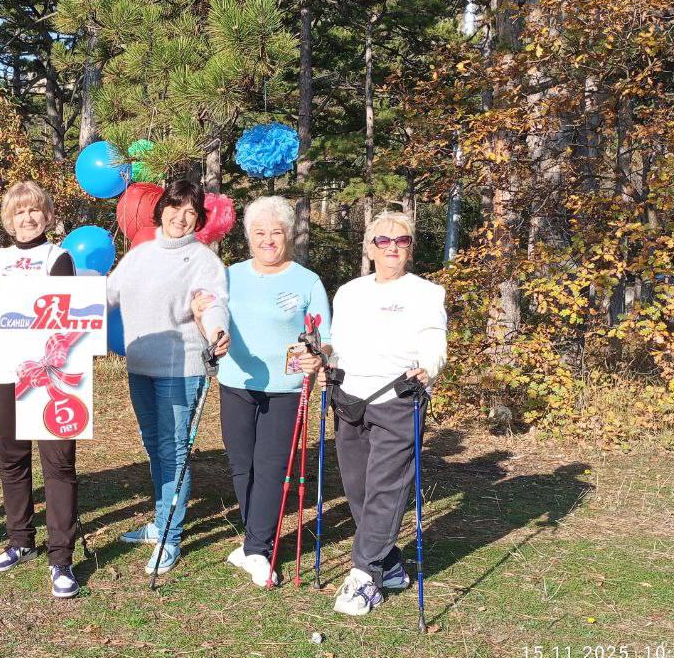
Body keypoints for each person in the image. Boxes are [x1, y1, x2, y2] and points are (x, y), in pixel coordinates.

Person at [307, 209, 446, 616]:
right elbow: (337, 343)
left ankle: (364, 577)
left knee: (386, 488)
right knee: (359, 490)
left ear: (410, 249)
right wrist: (323, 359)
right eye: (383, 241)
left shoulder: (426, 293)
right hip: (349, 399)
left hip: (398, 399)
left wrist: (429, 367)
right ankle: (390, 565)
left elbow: (435, 342)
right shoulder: (349, 292)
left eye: (402, 241)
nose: (392, 247)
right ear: (369, 248)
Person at [192, 196, 331, 587]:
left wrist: (317, 356)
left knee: (271, 468)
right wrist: (203, 319)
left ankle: (258, 548)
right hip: (237, 383)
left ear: (289, 234)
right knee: (242, 465)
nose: (268, 240)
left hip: (286, 388)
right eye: (259, 232)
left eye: (276, 232)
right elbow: (209, 317)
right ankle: (254, 539)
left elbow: (325, 337)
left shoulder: (307, 281)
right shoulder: (228, 276)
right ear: (248, 236)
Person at [106, 179, 229, 576]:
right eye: (175, 208)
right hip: (140, 366)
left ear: (199, 220)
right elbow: (107, 295)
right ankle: (161, 521)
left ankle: (170, 538)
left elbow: (213, 304)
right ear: (161, 211)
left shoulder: (203, 260)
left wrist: (218, 332)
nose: (181, 217)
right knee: (154, 446)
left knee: (173, 450)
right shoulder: (140, 255)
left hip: (182, 370)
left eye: (191, 211)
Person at [0, 181, 82, 598]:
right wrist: (16, 322)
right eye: (19, 212)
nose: (27, 218)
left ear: (47, 215)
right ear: (9, 219)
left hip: (46, 372)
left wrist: (20, 322)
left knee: (58, 464)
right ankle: (20, 540)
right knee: (12, 458)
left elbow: (63, 315)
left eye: (35, 210)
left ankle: (61, 558)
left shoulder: (59, 257)